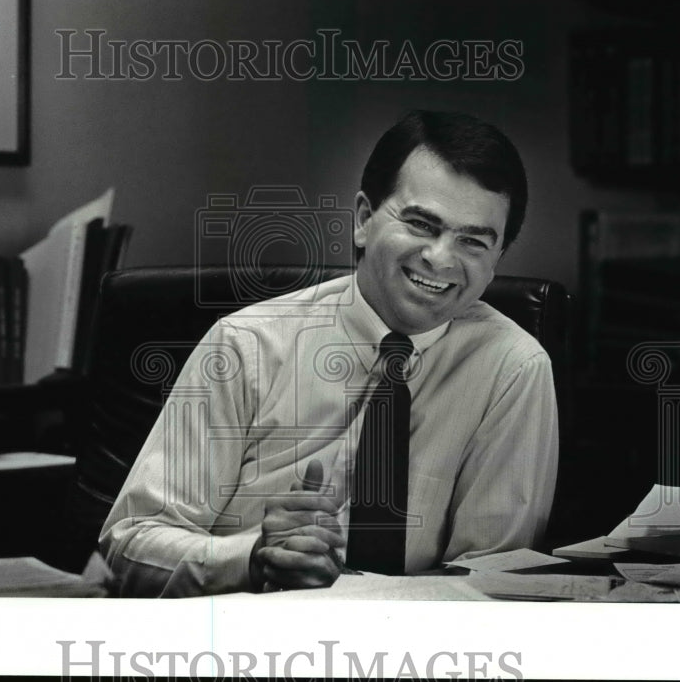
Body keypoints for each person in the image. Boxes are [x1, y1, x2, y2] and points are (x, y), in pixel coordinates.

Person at [99, 110, 559, 597]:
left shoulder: (514, 369)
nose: (441, 259)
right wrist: (254, 558)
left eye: (473, 241)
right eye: (422, 225)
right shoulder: (245, 346)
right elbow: (129, 545)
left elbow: (494, 579)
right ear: (364, 220)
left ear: (497, 259)